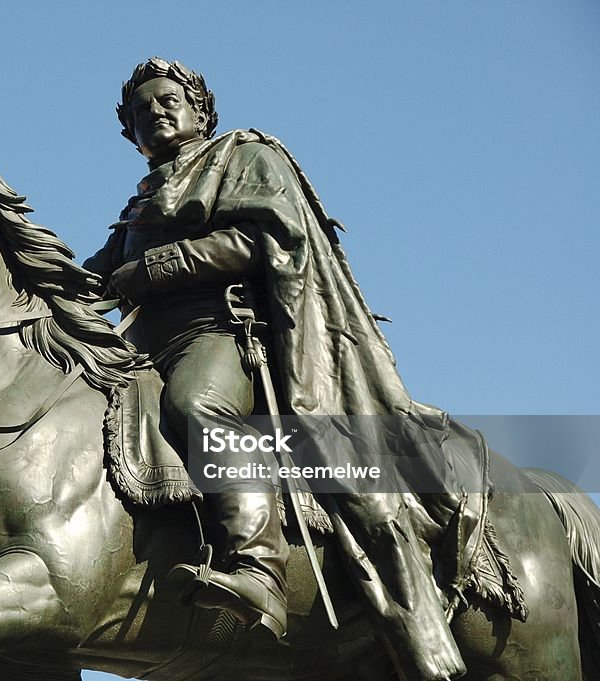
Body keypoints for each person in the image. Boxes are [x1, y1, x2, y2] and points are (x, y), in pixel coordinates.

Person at [85, 57, 467, 681]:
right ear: (130, 133)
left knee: (195, 405)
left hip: (227, 333)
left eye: (167, 98)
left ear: (199, 109)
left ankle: (257, 566)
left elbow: (268, 240)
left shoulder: (245, 156)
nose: (154, 110)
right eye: (140, 109)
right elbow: (95, 278)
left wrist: (157, 268)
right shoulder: (140, 206)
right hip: (148, 344)